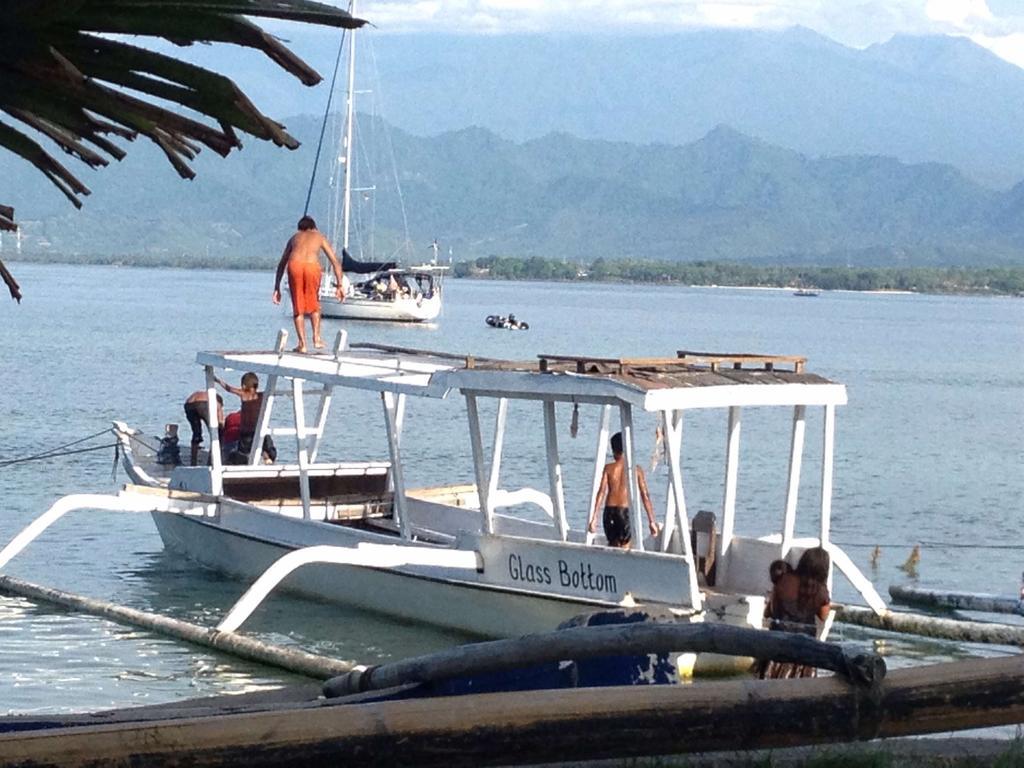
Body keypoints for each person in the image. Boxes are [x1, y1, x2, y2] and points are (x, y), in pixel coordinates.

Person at [272, 216, 344, 353]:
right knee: (314, 305)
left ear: (300, 228)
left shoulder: (294, 238)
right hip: (312, 266)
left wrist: (277, 287)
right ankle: (316, 338)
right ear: (314, 227)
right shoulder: (319, 236)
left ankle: (302, 344)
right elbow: (335, 262)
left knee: (298, 308)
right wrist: (340, 285)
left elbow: (282, 263)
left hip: (295, 266)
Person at [758, 547, 832, 679]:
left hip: (777, 643)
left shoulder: (784, 579)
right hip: (804, 649)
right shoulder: (821, 591)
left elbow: (770, 611)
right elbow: (823, 616)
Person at [587, 432, 661, 549]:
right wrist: (651, 521)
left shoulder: (608, 468)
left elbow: (601, 492)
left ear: (613, 450)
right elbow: (645, 496)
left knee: (612, 546)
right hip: (624, 512)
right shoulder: (636, 470)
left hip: (609, 512)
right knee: (625, 547)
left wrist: (594, 517)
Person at [215, 372, 275, 464]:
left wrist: (218, 380)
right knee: (263, 443)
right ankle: (266, 457)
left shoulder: (244, 394)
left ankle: (245, 461)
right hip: (257, 428)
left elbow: (229, 388)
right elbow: (272, 392)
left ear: (244, 385)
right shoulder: (261, 396)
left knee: (244, 450)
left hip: (246, 429)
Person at [182, 390, 224, 466]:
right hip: (203, 404)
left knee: (196, 433)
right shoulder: (217, 400)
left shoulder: (204, 393)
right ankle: (211, 462)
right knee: (215, 434)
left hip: (188, 404)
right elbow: (220, 421)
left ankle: (193, 462)